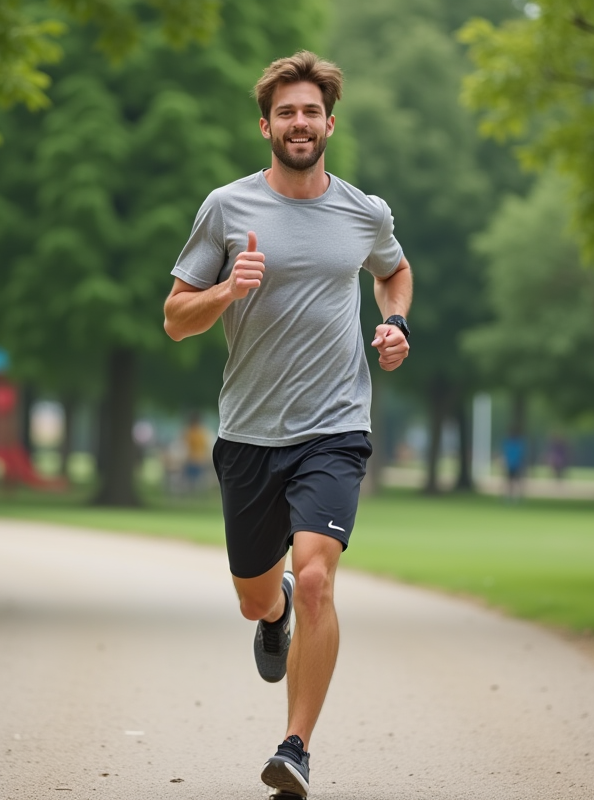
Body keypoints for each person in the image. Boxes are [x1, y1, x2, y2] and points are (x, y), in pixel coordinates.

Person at [162, 51, 412, 799]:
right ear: (265, 126)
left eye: (311, 111)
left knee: (317, 579)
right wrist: (224, 292)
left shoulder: (364, 212)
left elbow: (393, 270)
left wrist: (395, 324)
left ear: (329, 124)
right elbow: (175, 318)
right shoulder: (226, 208)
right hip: (248, 433)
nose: (299, 123)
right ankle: (271, 616)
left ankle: (295, 747)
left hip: (335, 427)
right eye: (286, 112)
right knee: (255, 594)